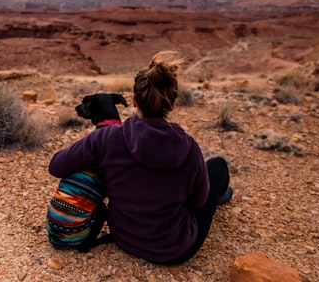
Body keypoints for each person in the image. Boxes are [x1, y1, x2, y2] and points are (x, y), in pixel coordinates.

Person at [47, 51, 232, 264]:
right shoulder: (189, 148)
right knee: (218, 166)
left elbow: (56, 166)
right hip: (173, 249)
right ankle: (222, 195)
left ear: (134, 100)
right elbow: (198, 202)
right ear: (172, 105)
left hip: (123, 237)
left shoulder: (106, 138)